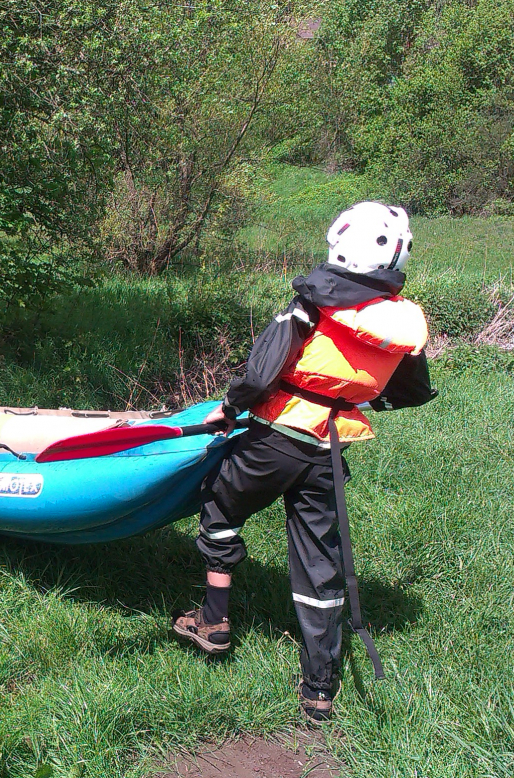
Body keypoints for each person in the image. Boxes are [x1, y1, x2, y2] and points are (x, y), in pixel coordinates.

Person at [171, 202, 436, 723]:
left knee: (221, 510)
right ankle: (319, 690)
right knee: (320, 564)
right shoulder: (398, 321)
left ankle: (213, 622)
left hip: (275, 438)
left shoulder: (312, 303)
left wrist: (229, 409)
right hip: (329, 451)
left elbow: (262, 370)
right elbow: (411, 388)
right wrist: (357, 401)